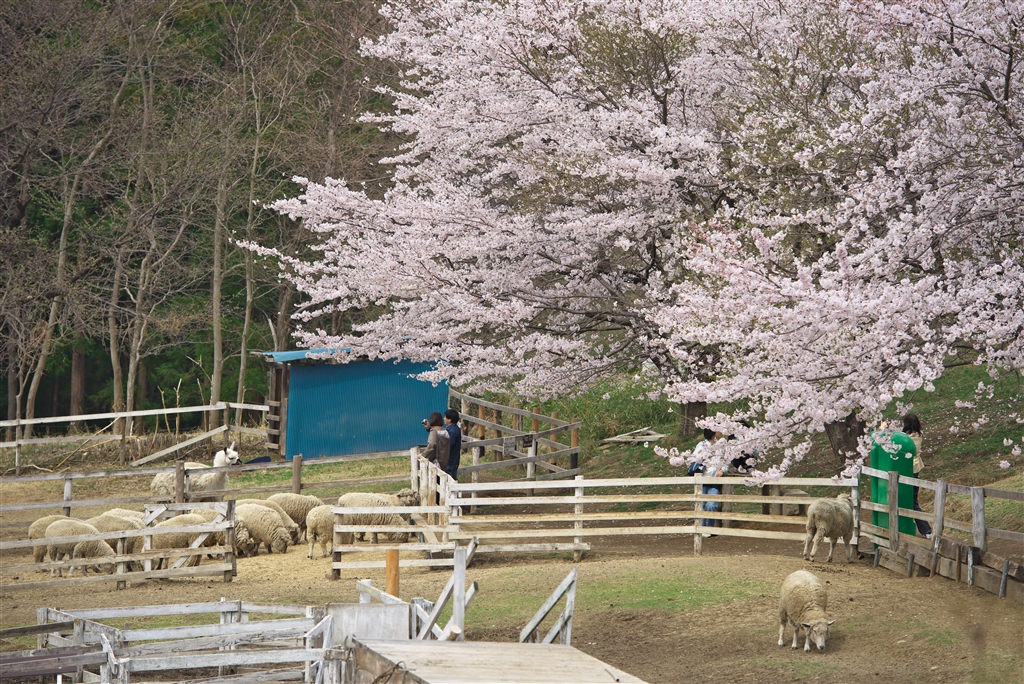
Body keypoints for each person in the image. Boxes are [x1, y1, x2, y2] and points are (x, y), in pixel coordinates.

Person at [902, 413, 933, 538]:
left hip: (906, 470)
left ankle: (926, 530)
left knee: (911, 502)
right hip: (915, 470)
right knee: (912, 500)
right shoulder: (919, 435)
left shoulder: (905, 438)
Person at [688, 428, 724, 536]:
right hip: (702, 479)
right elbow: (693, 459)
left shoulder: (721, 446)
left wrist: (722, 470)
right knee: (701, 504)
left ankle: (710, 528)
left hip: (715, 479)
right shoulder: (702, 445)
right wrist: (702, 454)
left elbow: (726, 461)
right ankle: (701, 529)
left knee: (712, 505)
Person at [444, 408, 462, 481]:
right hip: (455, 459)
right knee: (453, 479)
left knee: (449, 481)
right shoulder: (456, 429)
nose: (444, 418)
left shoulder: (452, 431)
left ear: (449, 420)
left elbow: (449, 445)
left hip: (450, 460)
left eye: (445, 417)